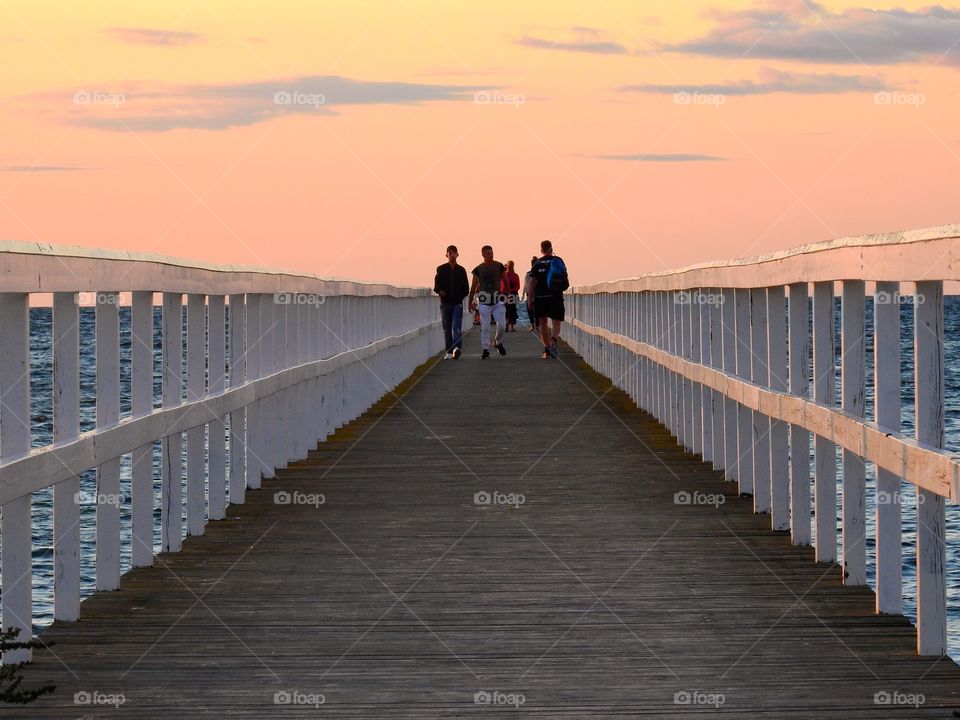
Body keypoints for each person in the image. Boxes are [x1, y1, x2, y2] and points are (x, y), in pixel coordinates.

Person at [529, 240, 569, 359]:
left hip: (541, 297)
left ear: (541, 250)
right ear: (551, 249)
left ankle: (546, 349)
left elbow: (532, 282)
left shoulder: (537, 263)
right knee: (556, 322)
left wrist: (529, 299)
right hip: (555, 296)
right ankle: (553, 339)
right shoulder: (558, 260)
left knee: (543, 323)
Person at [468, 245, 508, 359]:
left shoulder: (499, 266)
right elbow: (473, 287)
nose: (491, 255)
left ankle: (497, 342)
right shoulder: (478, 269)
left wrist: (507, 295)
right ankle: (485, 349)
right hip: (484, 302)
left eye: (492, 253)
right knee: (485, 326)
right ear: (483, 255)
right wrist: (470, 302)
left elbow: (505, 280)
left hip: (497, 301)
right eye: (488, 253)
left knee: (502, 325)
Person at [433, 245, 469, 359]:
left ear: (457, 255)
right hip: (445, 303)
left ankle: (457, 349)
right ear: (446, 255)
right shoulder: (441, 269)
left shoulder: (461, 270)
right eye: (450, 253)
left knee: (456, 326)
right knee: (447, 327)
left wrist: (459, 297)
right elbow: (436, 286)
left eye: (454, 253)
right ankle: (449, 351)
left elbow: (466, 288)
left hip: (457, 303)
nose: (452, 255)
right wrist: (441, 292)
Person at [502, 260, 521, 332]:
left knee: (506, 310)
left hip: (505, 294)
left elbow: (502, 286)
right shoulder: (515, 275)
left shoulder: (504, 275)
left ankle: (506, 324)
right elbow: (518, 286)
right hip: (513, 294)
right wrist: (512, 291)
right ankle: (512, 327)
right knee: (513, 310)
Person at [523, 256, 538, 333]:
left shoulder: (528, 274)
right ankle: (536, 325)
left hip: (530, 293)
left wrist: (524, 294)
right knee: (536, 310)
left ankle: (533, 325)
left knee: (530, 310)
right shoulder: (538, 273)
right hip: (537, 293)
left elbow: (525, 286)